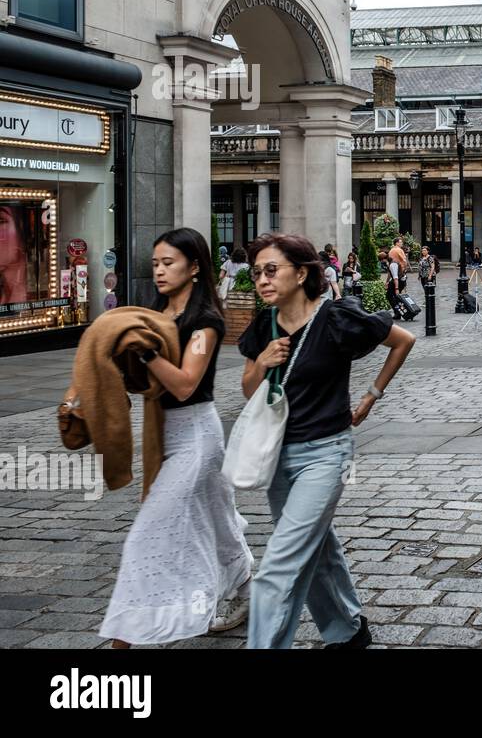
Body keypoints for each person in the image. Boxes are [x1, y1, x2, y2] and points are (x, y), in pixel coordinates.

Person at [79, 228, 254, 648]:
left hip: (195, 439)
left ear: (194, 267)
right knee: (220, 522)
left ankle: (125, 639)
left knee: (147, 536)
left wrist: (146, 352)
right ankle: (248, 591)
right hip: (162, 436)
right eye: (155, 263)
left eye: (168, 262)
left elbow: (184, 385)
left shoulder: (205, 321)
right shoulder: (155, 314)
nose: (159, 270)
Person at [239, 233, 415, 649]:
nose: (261, 280)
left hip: (326, 454)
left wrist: (372, 395)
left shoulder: (336, 318)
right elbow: (250, 391)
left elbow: (403, 340)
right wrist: (261, 364)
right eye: (256, 272)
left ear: (301, 274)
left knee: (279, 568)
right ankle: (348, 630)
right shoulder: (262, 325)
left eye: (270, 270)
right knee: (315, 549)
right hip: (278, 454)